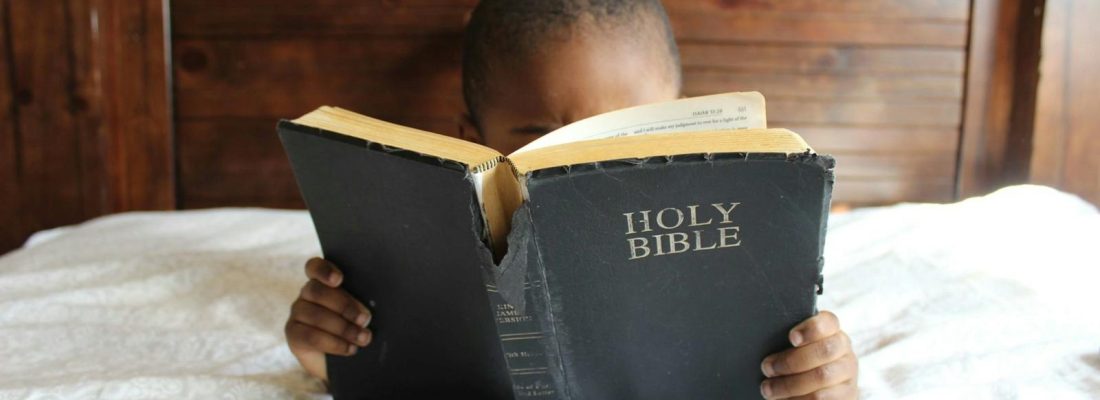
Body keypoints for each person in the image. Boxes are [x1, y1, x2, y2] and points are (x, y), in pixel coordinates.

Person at [284, 1, 858, 398]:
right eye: (539, 139)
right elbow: (393, 365)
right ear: (471, 139)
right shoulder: (427, 252)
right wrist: (330, 353)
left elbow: (790, 364)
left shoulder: (734, 242)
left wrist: (819, 377)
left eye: (629, 131)